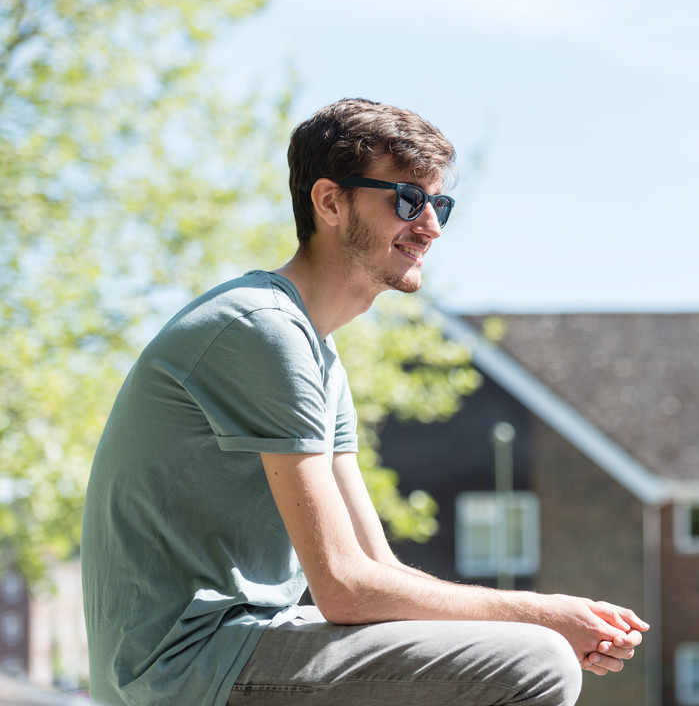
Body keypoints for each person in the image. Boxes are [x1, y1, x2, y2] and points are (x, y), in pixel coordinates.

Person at [81, 98, 649, 706]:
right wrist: (539, 616)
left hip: (239, 645)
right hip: (181, 671)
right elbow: (343, 589)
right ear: (330, 202)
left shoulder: (319, 356)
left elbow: (377, 570)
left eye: (439, 206)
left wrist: (539, 620)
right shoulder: (260, 329)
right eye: (406, 200)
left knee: (528, 646)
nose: (430, 227)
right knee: (538, 664)